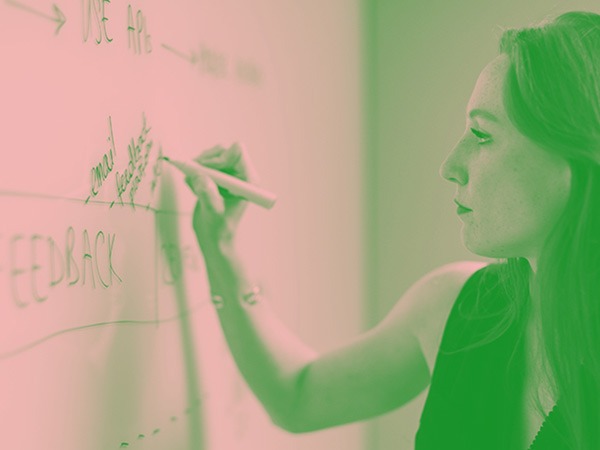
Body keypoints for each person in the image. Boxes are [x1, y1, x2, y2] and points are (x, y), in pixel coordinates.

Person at [183, 10, 600, 450]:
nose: (449, 167)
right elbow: (299, 396)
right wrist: (221, 246)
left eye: (481, 135)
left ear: (577, 156)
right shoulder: (460, 306)